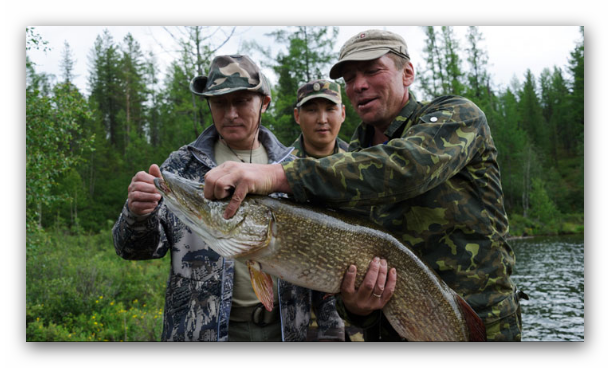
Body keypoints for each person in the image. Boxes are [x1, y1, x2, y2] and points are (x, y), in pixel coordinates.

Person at [202, 30, 523, 341]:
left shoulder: (456, 116)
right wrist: (356, 309)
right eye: (350, 78)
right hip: (390, 334)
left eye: (372, 71)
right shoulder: (350, 161)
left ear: (407, 72)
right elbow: (343, 278)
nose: (359, 85)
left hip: (477, 325)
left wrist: (276, 175)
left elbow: (405, 167)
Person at [112, 55, 345, 342]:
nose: (231, 113)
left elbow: (325, 269)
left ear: (265, 103)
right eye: (220, 103)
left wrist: (331, 335)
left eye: (243, 101)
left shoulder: (293, 169)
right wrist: (138, 213)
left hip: (283, 335)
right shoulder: (181, 166)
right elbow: (135, 249)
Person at [291, 79, 349, 158]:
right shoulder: (280, 164)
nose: (322, 120)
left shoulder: (358, 161)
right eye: (312, 110)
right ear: (297, 116)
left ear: (342, 113)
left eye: (330, 109)